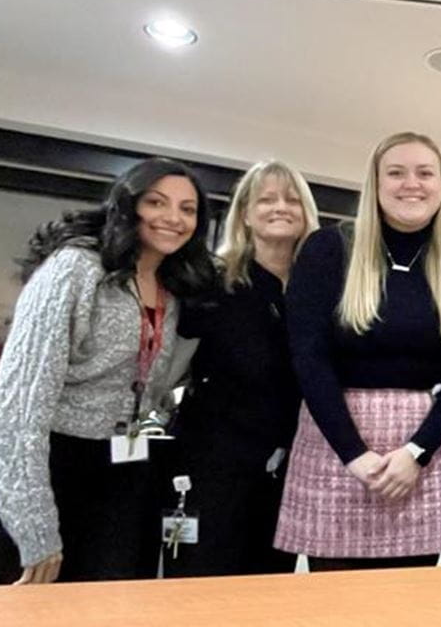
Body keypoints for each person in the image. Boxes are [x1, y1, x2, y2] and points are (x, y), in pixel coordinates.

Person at [275, 132, 441, 571]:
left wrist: (417, 452)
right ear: (375, 184)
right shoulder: (327, 250)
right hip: (337, 444)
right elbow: (309, 358)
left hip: (426, 450)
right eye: (395, 172)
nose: (410, 184)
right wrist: (354, 455)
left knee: (411, 604)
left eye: (424, 173)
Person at [0, 158, 215, 584]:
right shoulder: (75, 268)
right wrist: (34, 527)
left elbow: (151, 385)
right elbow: (19, 406)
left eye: (188, 209)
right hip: (55, 462)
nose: (174, 218)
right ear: (129, 206)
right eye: (157, 202)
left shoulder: (173, 283)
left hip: (125, 466)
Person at [165, 160, 319, 577]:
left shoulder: (320, 293)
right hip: (209, 465)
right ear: (245, 214)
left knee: (268, 592)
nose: (280, 207)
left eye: (291, 199)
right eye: (265, 199)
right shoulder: (212, 282)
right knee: (197, 588)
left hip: (286, 472)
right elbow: (169, 370)